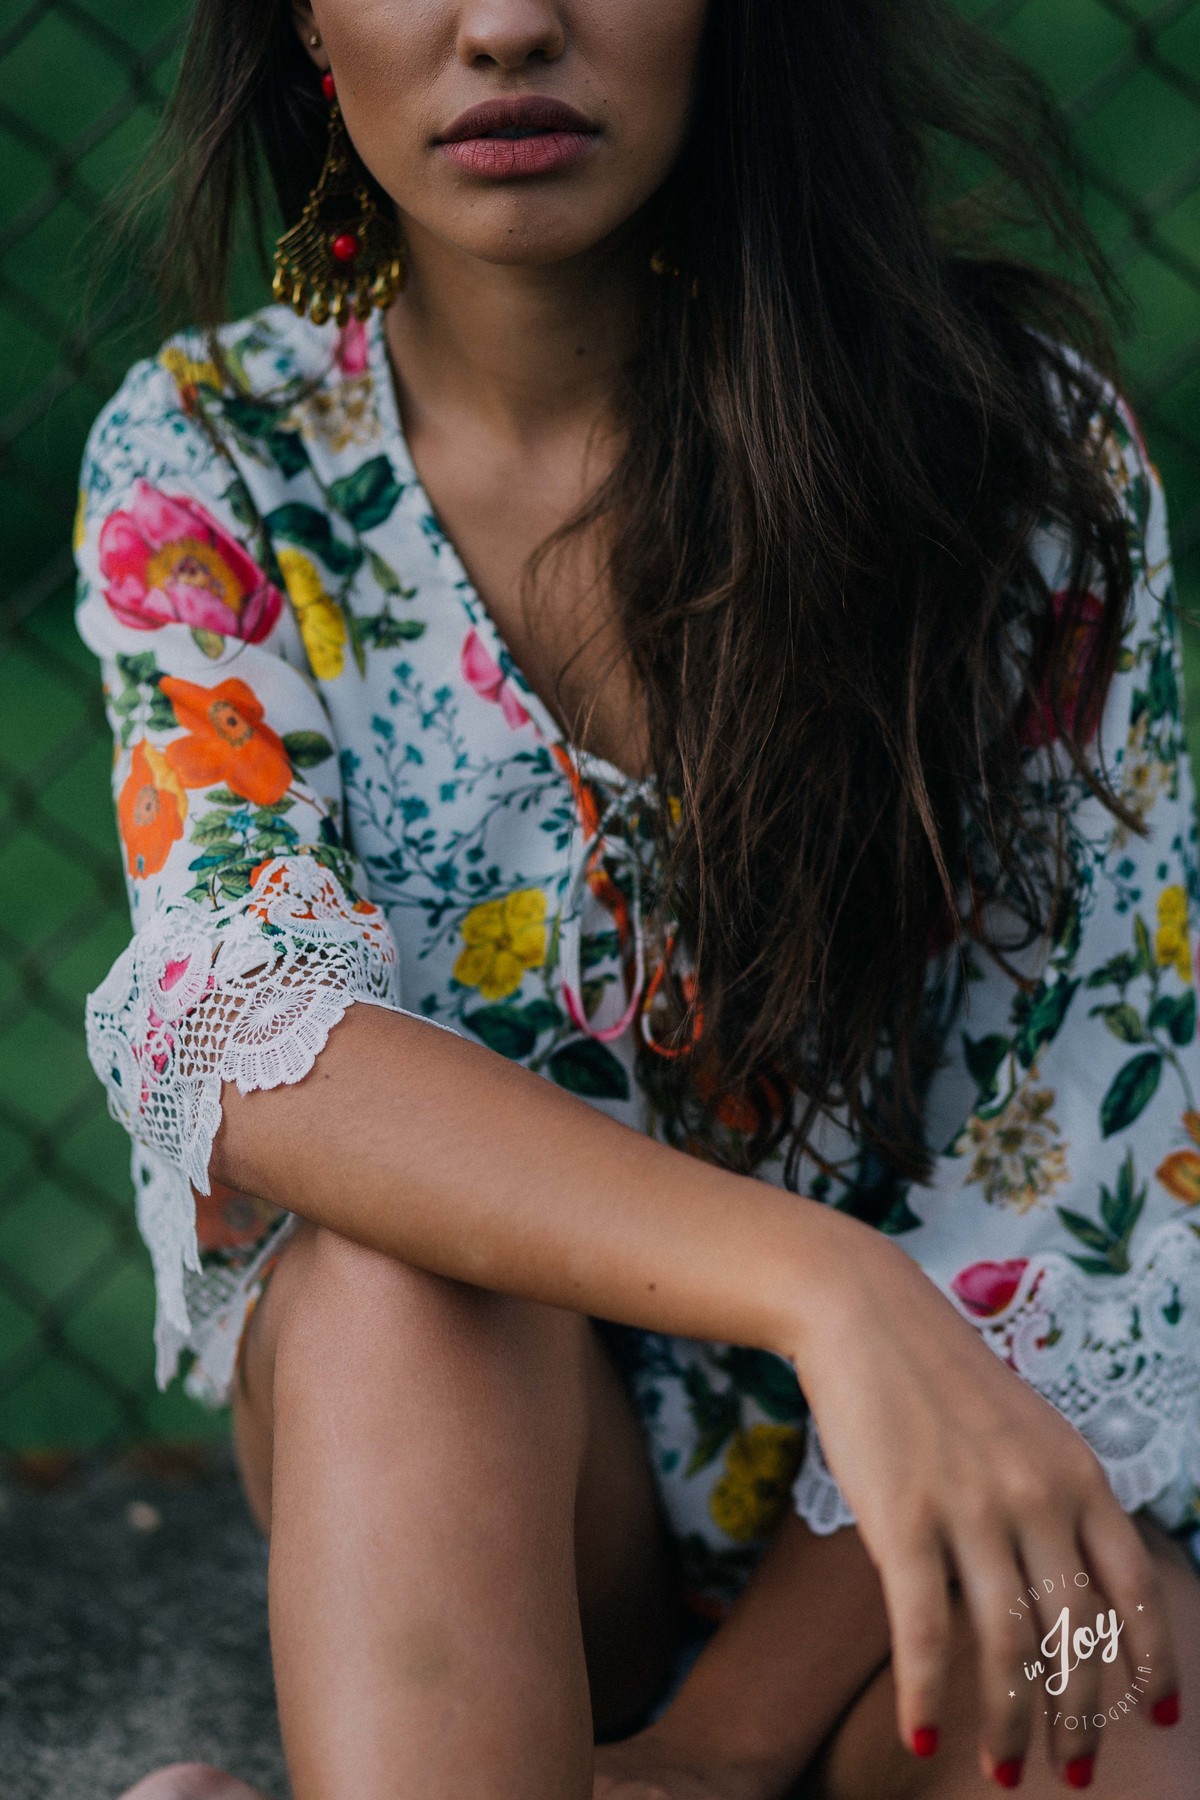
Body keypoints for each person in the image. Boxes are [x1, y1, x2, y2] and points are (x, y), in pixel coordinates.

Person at [72, 1, 1200, 1795]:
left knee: (1122, 1679)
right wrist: (829, 1289)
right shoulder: (219, 461)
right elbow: (253, 1032)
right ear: (304, 21)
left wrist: (712, 1753)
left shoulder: (1013, 460)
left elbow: (1092, 1185)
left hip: (932, 1535)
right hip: (497, 1491)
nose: (510, 22)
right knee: (384, 1285)